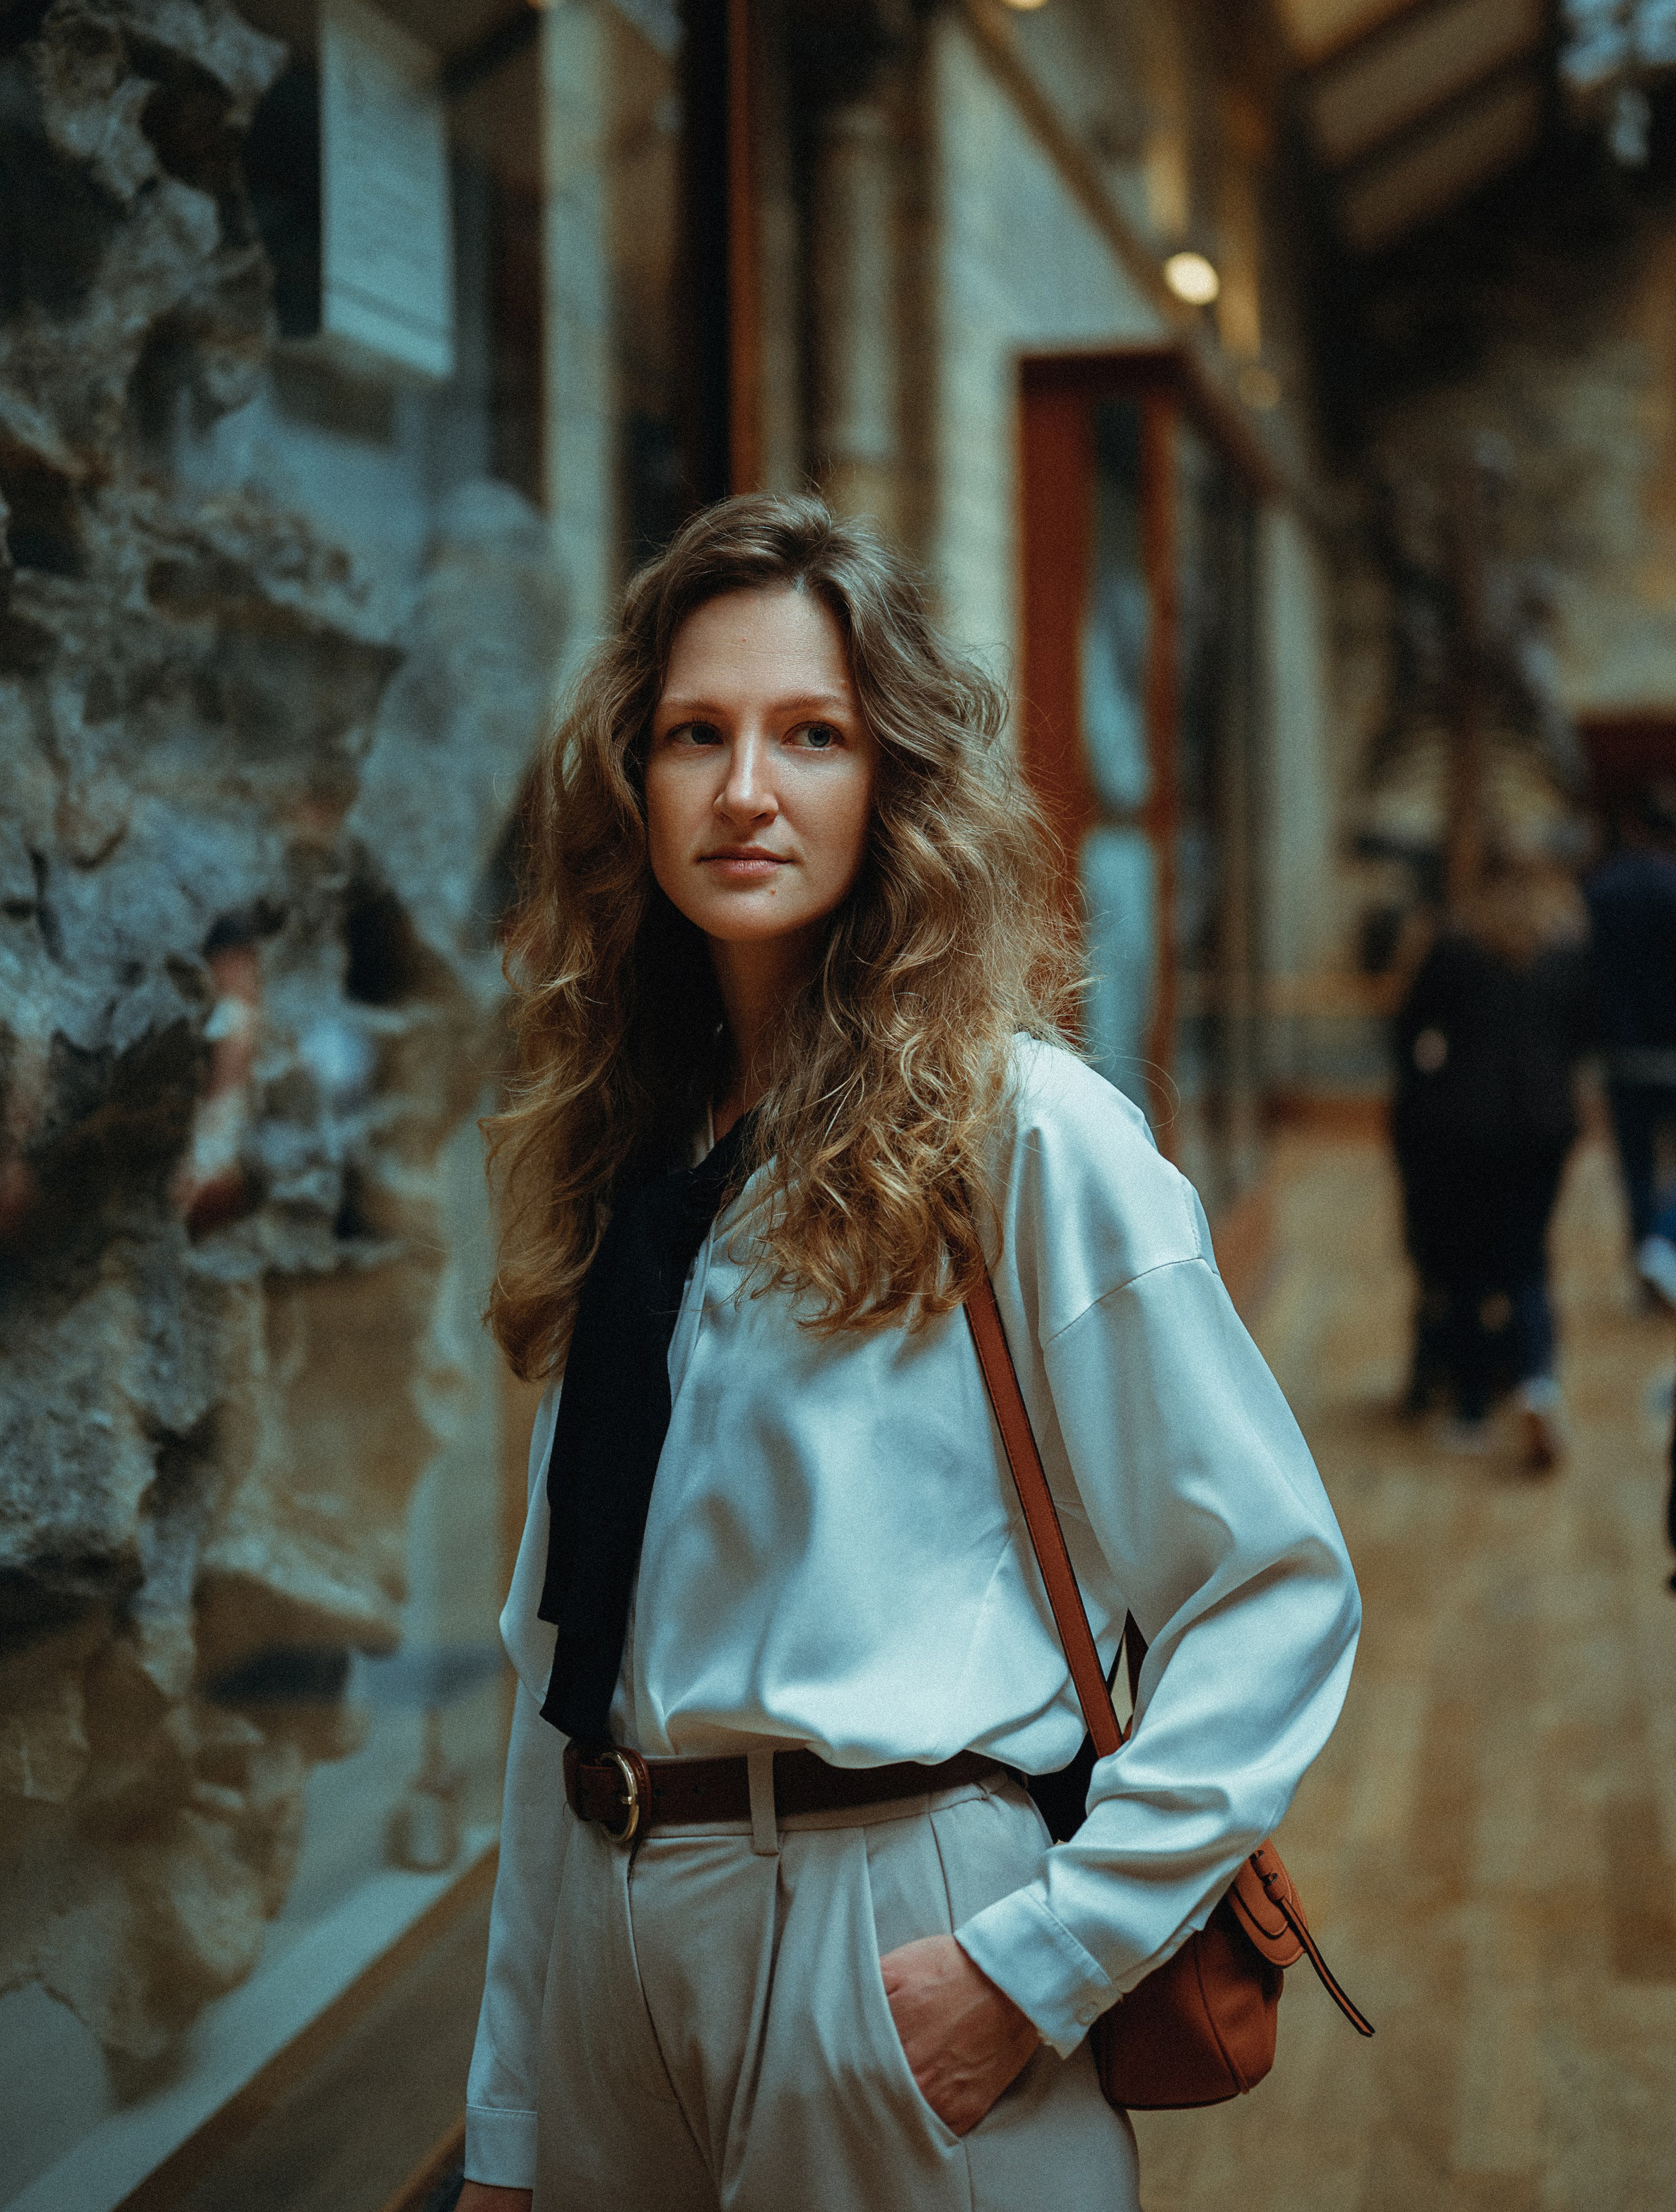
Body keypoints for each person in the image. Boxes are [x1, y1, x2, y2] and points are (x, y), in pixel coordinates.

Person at [455, 496, 1361, 2212]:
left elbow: (1272, 1587)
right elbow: (554, 1678)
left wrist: (1034, 1963)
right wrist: (508, 2121)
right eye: (691, 736)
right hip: (616, 1920)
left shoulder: (1027, 1137)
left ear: (893, 784)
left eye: (810, 735)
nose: (742, 790)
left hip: (893, 1925)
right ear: (626, 782)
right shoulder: (633, 1156)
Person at [1391, 852, 1590, 1467]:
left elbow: (1409, 1031)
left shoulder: (1453, 948)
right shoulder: (1565, 954)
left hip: (1464, 1127)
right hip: (1544, 1125)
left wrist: (1425, 1089)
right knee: (1528, 1257)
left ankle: (1472, 1408)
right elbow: (1582, 1037)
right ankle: (1537, 1382)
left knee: (1467, 1268)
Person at [1586, 785, 1676, 1307]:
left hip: (1623, 1053)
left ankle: (1650, 1266)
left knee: (1636, 1170)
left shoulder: (1601, 891)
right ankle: (1663, 1245)